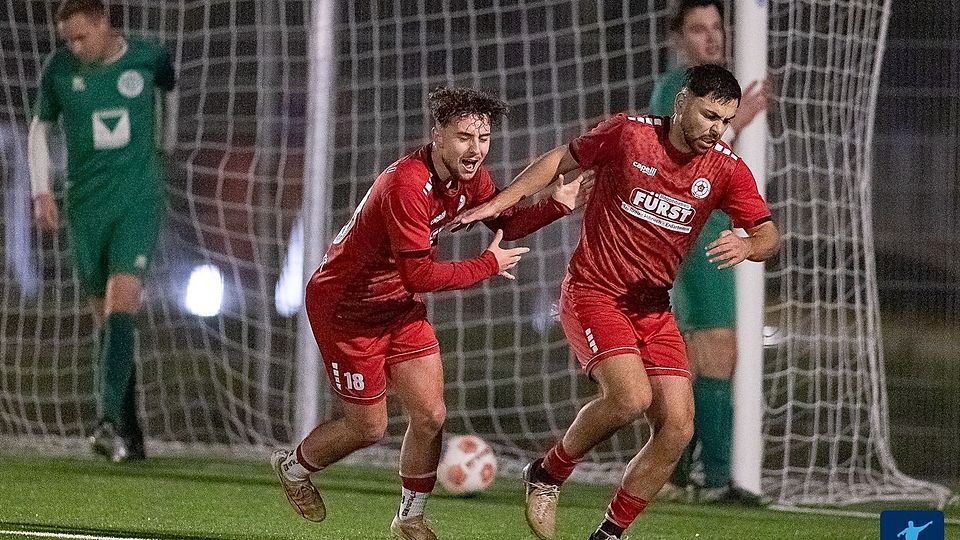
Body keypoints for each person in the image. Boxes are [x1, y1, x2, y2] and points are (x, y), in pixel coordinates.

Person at [455, 65, 779, 540]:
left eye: (725, 121)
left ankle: (609, 534)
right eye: (709, 115)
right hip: (594, 293)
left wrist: (750, 245)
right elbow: (558, 160)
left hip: (652, 307)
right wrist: (500, 202)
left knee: (677, 428)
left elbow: (769, 233)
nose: (716, 129)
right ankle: (547, 473)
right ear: (682, 102)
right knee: (630, 397)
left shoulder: (726, 168)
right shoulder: (628, 135)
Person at [270, 87, 593, 540]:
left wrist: (560, 204)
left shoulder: (469, 177)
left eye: (483, 139)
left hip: (398, 306)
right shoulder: (406, 185)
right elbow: (420, 275)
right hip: (347, 309)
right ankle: (294, 468)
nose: (475, 149)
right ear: (437, 134)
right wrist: (487, 265)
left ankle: (410, 518)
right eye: (464, 137)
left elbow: (504, 220)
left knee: (431, 414)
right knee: (369, 427)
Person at [29, 0, 177, 462]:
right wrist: (41, 192)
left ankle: (106, 419)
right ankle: (129, 434)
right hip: (85, 206)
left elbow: (170, 88)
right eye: (67, 39)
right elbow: (39, 130)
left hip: (136, 199)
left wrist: (166, 144)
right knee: (106, 322)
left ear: (104, 23)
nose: (74, 46)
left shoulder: (148, 56)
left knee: (122, 304)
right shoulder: (59, 70)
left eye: (80, 36)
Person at [649, 0, 770, 505]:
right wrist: (737, 122)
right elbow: (672, 163)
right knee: (717, 350)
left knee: (700, 360)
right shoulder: (676, 88)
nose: (711, 38)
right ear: (679, 38)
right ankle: (717, 479)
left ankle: (678, 478)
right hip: (696, 235)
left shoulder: (717, 89)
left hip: (715, 226)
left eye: (717, 28)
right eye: (698, 30)